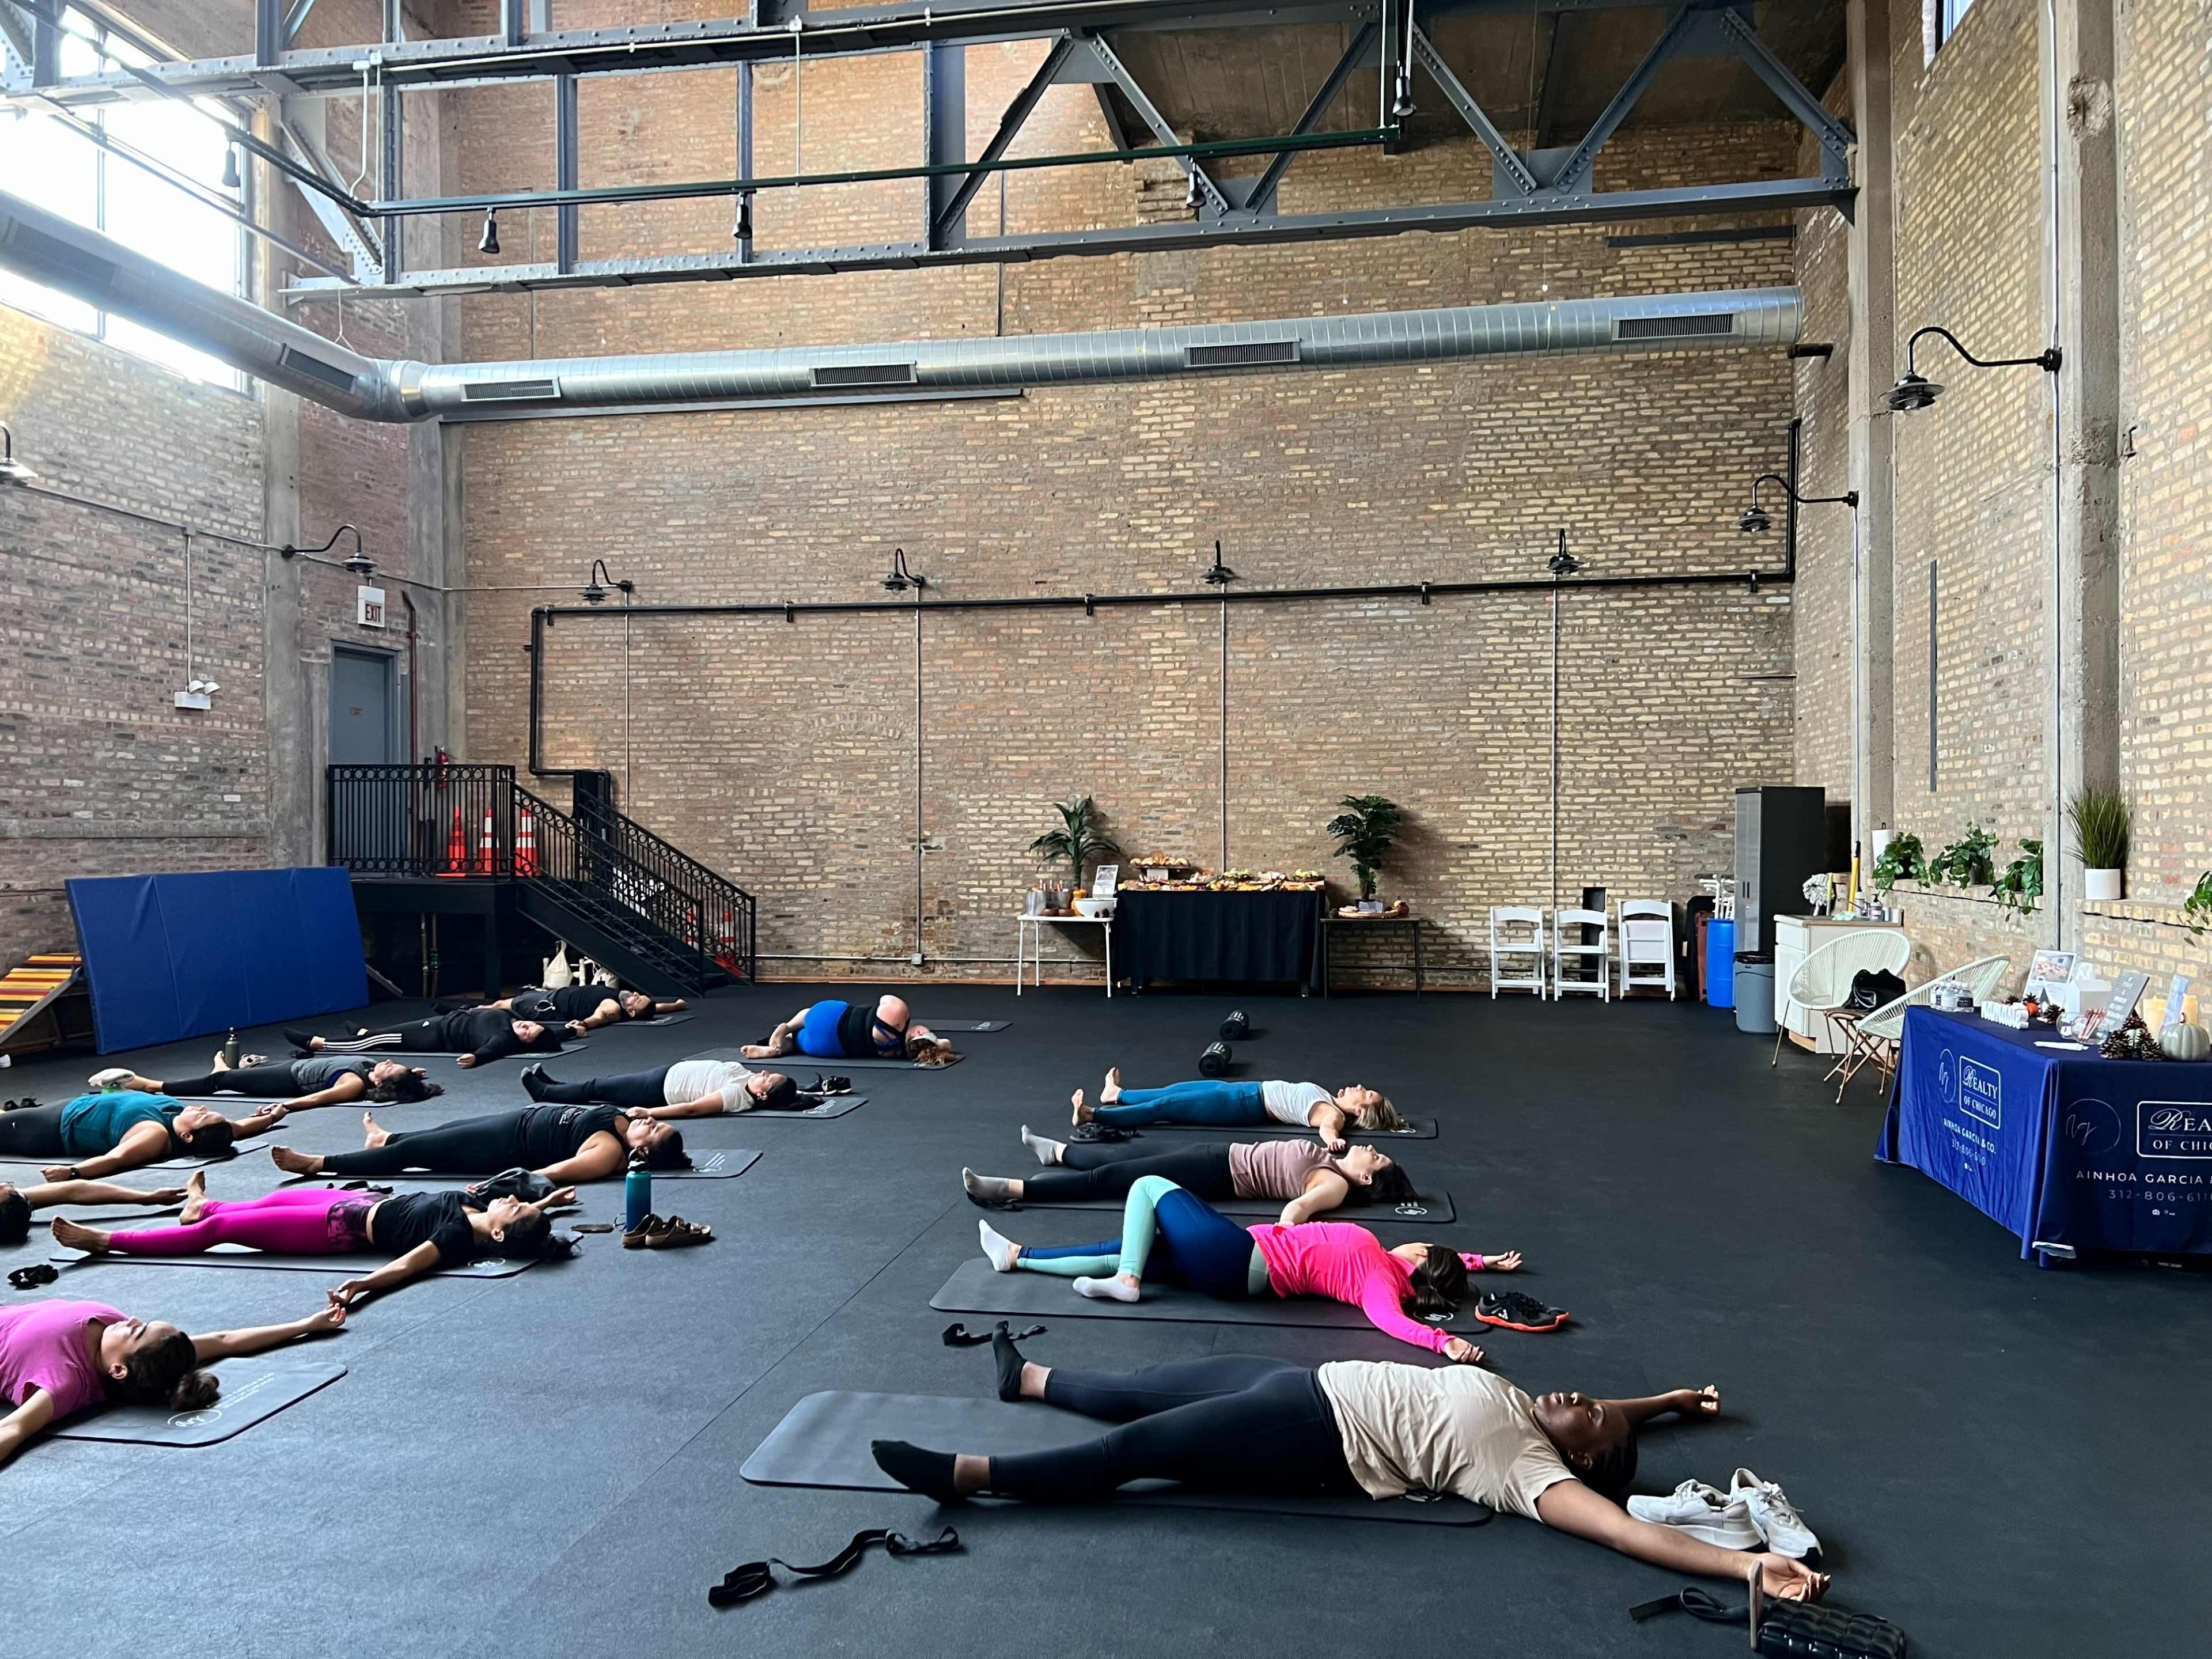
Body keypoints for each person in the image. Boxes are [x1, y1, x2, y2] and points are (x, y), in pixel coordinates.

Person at [867, 1330, 1828, 1606]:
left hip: (1313, 1441)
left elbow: (1625, 1527)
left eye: (1587, 1412)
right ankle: (1031, 1378)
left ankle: (967, 1475)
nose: (1582, 1394)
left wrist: (1746, 1566)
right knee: (1157, 1386)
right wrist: (1677, 1402)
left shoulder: (1530, 1468)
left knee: (1140, 1455)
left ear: (1585, 1454)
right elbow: (1621, 1413)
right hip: (1310, 1381)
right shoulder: (1561, 1419)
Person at [975, 1175, 1518, 1357]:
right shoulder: (1387, 1271)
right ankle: (1018, 1257)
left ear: (1421, 1259)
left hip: (1238, 1256)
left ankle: (1128, 1281)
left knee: (1147, 1188)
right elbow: (1431, 1282)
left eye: (1422, 1246)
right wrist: (1482, 1262)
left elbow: (1393, 1324)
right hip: (1233, 1268)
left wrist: (1442, 1343)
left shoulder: (1380, 1279)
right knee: (1123, 1244)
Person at [51, 1169, 560, 1306]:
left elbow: (406, 1267)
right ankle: (197, 1204)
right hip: (353, 1205)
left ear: (496, 1232)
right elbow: (520, 1216)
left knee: (221, 1232)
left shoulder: (454, 1236)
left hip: (334, 1231)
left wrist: (359, 1288)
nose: (513, 1200)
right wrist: (545, 1208)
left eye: (514, 1208)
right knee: (265, 1202)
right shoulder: (480, 1211)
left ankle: (107, 1242)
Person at [1, 1296, 347, 1471]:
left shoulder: (65, 1380)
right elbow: (225, 1340)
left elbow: (14, 1428)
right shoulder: (135, 1346)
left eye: (135, 1331)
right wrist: (306, 1324)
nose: (131, 1319)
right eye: (142, 1323)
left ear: (119, 1370)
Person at [964, 1128, 1425, 1228]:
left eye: (1377, 1158)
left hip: (1217, 1173)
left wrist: (1279, 1241)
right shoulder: (1335, 1159)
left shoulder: (1337, 1185)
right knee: (1134, 1156)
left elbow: (1299, 1209)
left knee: (1114, 1180)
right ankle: (1060, 1152)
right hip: (1217, 1154)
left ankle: (1010, 1190)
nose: (1372, 1149)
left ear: (1366, 1181)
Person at [268, 1099, 691, 1183]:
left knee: (412, 1156)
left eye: (652, 1130)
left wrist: (495, 1186)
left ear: (641, 1151)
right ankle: (384, 1137)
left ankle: (318, 1163)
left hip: (500, 1148)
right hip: (511, 1122)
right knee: (435, 1135)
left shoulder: (607, 1153)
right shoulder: (623, 1121)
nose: (650, 1120)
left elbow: (548, 1174)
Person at [1071, 1067, 1406, 1149]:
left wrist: (1332, 1141)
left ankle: (1093, 1115)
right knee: (1176, 1090)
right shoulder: (1330, 1099)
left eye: (1365, 1094)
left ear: (1359, 1111)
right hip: (1242, 1091)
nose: (1359, 1088)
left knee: (1168, 1105)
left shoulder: (1332, 1114)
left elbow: (1327, 1129)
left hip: (1242, 1104)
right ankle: (1117, 1094)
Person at [0, 1091, 279, 1181]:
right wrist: (272, 1116)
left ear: (187, 1137)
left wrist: (72, 1172)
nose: (202, 1109)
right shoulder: (188, 1122)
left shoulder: (154, 1134)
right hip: (73, 1106)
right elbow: (240, 1128)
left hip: (49, 1129)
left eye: (203, 1117)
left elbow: (117, 1158)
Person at [92, 1050, 442, 1111]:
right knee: (238, 1068)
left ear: (381, 1084)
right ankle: (234, 1070)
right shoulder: (369, 1068)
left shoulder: (353, 1083)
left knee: (223, 1081)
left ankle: (151, 1084)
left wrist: (284, 1107)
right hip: (286, 1068)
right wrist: (412, 1075)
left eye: (391, 1068)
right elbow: (399, 1076)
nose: (388, 1061)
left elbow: (319, 1099)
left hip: (285, 1081)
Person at [518, 1056, 800, 1116]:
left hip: (657, 1091)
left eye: (768, 1077)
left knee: (597, 1087)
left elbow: (691, 1109)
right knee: (600, 1085)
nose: (764, 1072)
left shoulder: (736, 1095)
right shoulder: (749, 1082)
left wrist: (649, 1113)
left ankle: (543, 1092)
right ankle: (554, 1086)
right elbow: (793, 1094)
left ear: (762, 1094)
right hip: (664, 1074)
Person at [285, 1009, 565, 1069]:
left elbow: (493, 1050)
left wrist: (476, 1058)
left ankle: (317, 1044)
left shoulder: (504, 1037)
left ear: (525, 1044)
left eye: (529, 1033)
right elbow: (556, 1032)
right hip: (441, 1021)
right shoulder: (513, 1017)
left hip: (435, 1035)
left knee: (375, 1042)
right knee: (390, 1033)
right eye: (533, 1025)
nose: (528, 1026)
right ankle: (362, 1033)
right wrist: (572, 1030)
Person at [743, 994, 956, 1066]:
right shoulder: (903, 1054)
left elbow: (885, 998)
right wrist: (937, 1044)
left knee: (808, 1014)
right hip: (829, 1049)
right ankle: (781, 1047)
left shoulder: (898, 1014)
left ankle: (785, 1027)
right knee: (798, 1043)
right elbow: (944, 1045)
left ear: (919, 1033)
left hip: (831, 1018)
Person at [1, 1176, 194, 1246]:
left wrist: (148, 1198)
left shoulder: (12, 1203)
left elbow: (75, 1189)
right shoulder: (8, 1204)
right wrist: (146, 1198)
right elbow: (74, 1189)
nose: (4, 1184)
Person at [442, 984, 683, 1037]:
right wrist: (677, 1005)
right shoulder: (635, 1005)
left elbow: (600, 1018)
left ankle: (467, 1014)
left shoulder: (612, 1007)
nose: (635, 995)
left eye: (636, 1000)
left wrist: (584, 1024)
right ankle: (470, 1012)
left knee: (500, 1006)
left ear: (630, 1012)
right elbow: (658, 1007)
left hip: (548, 1005)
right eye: (639, 995)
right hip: (552, 995)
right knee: (500, 1007)